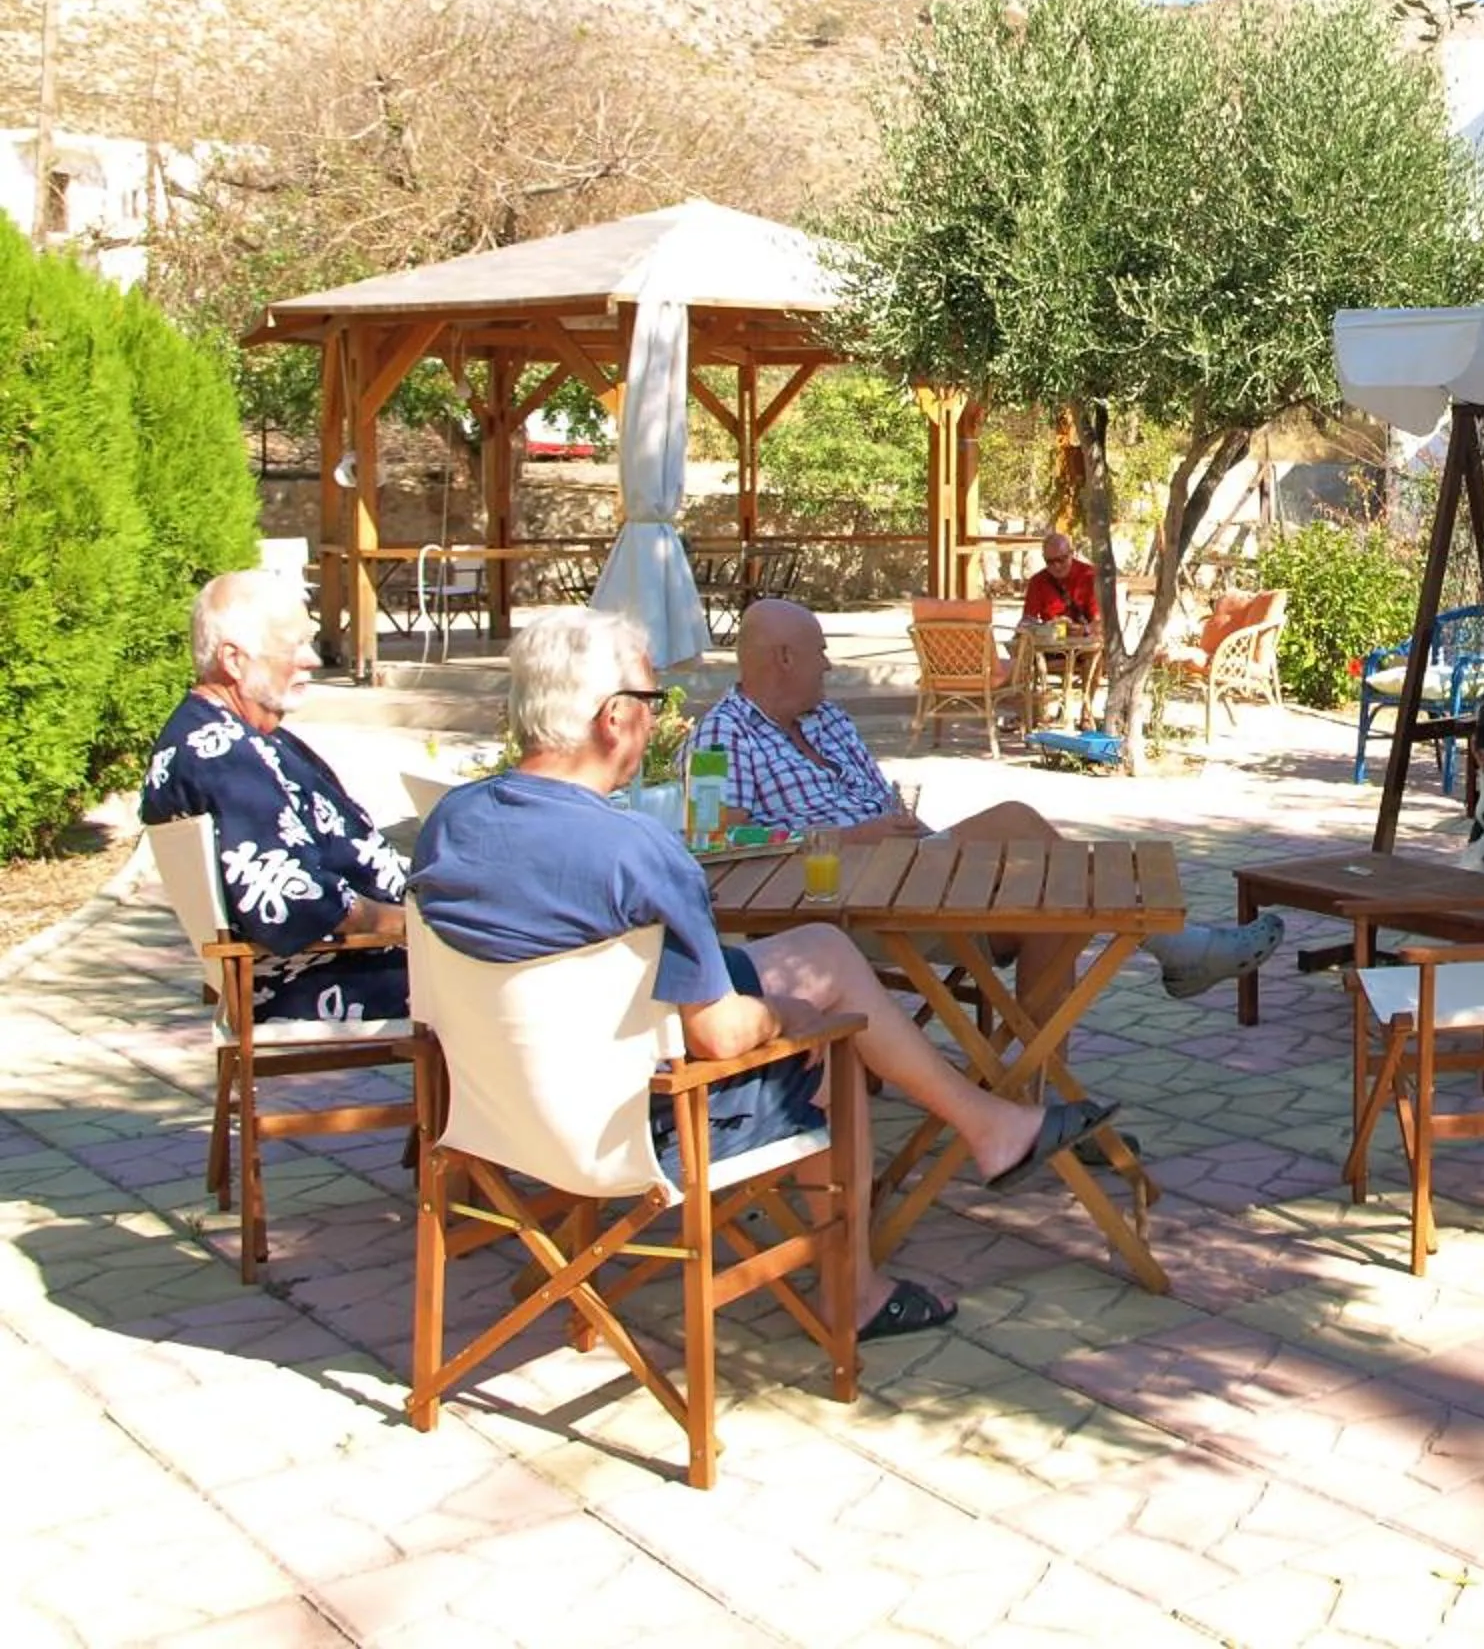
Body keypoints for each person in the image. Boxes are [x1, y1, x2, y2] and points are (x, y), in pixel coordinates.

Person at [411, 607, 1116, 1340]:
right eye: (652, 704)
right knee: (833, 1044)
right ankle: (857, 1291)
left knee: (824, 953)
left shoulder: (453, 821)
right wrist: (794, 1020)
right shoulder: (636, 852)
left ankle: (993, 1123)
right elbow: (719, 1036)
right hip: (640, 1123)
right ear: (613, 718)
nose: (659, 723)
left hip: (496, 1110)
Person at [690, 599, 1280, 1004]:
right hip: (838, 907)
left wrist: (910, 836)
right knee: (1016, 822)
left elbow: (883, 805)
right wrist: (854, 840)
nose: (829, 662)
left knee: (1057, 914)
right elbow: (720, 846)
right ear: (784, 659)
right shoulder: (723, 736)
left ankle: (1036, 1097)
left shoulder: (828, 720)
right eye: (819, 651)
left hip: (907, 881)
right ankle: (1179, 950)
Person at [141, 570, 410, 1024]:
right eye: (294, 646)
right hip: (309, 979)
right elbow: (302, 902)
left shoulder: (231, 736)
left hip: (333, 960)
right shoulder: (222, 757)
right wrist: (415, 925)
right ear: (234, 659)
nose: (311, 660)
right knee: (507, 979)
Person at [1019, 532, 1099, 630]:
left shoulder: (1090, 576)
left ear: (1071, 553)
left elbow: (1101, 621)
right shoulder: (1037, 582)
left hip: (1088, 641)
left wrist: (1082, 630)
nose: (1057, 566)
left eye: (1061, 559)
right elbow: (1028, 619)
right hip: (1052, 641)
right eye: (1050, 562)